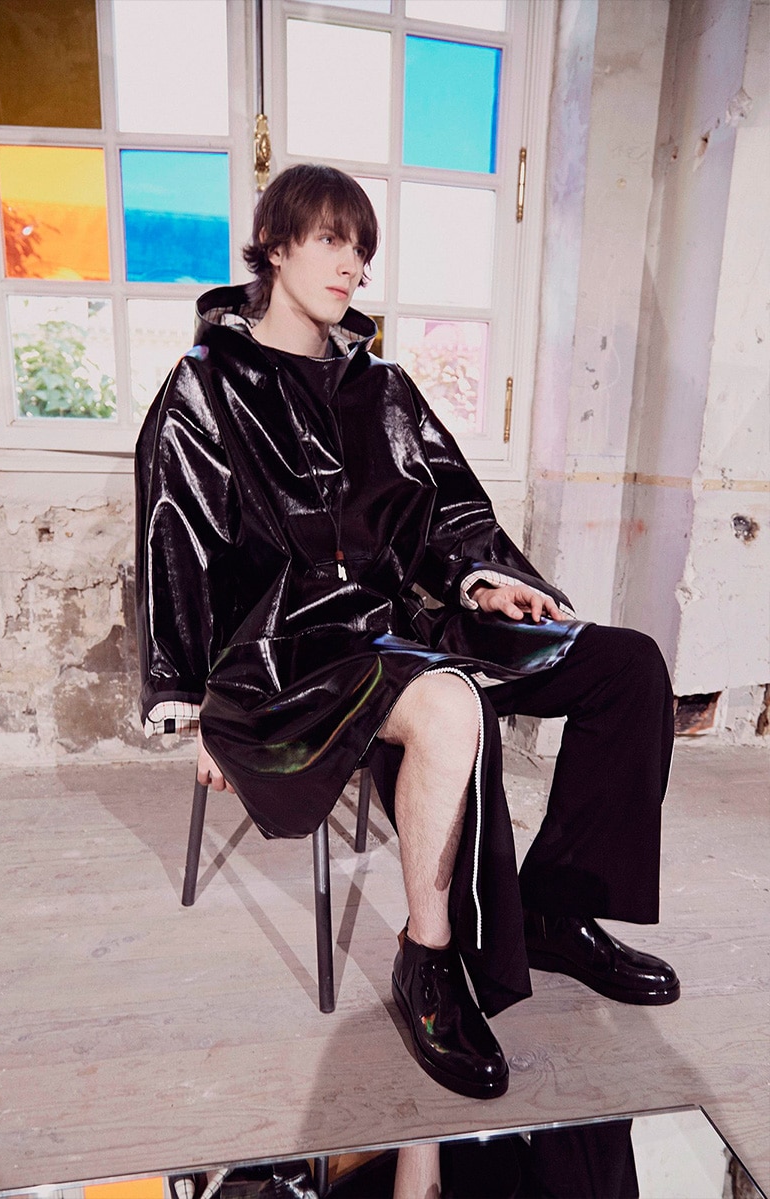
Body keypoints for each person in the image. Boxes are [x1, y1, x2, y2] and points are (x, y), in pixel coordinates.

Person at [135, 163, 679, 1103]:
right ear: (273, 246)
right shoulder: (206, 387)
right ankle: (428, 954)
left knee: (627, 665)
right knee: (449, 704)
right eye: (328, 240)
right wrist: (198, 702)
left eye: (361, 247)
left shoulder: (380, 384)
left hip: (406, 623)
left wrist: (484, 576)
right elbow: (175, 540)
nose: (350, 264)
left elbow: (446, 505)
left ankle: (557, 910)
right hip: (291, 653)